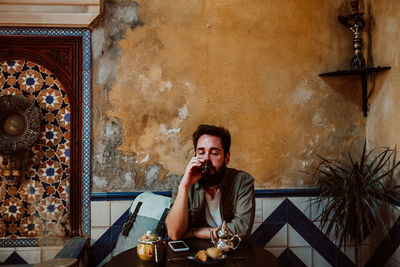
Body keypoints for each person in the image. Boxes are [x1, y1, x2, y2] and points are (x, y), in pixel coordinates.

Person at [166, 124, 255, 241]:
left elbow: (242, 230)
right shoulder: (182, 182)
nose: (206, 159)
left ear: (226, 158)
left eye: (214, 153)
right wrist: (184, 186)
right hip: (193, 253)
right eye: (201, 152)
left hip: (230, 251)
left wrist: (195, 232)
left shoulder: (242, 181)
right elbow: (174, 234)